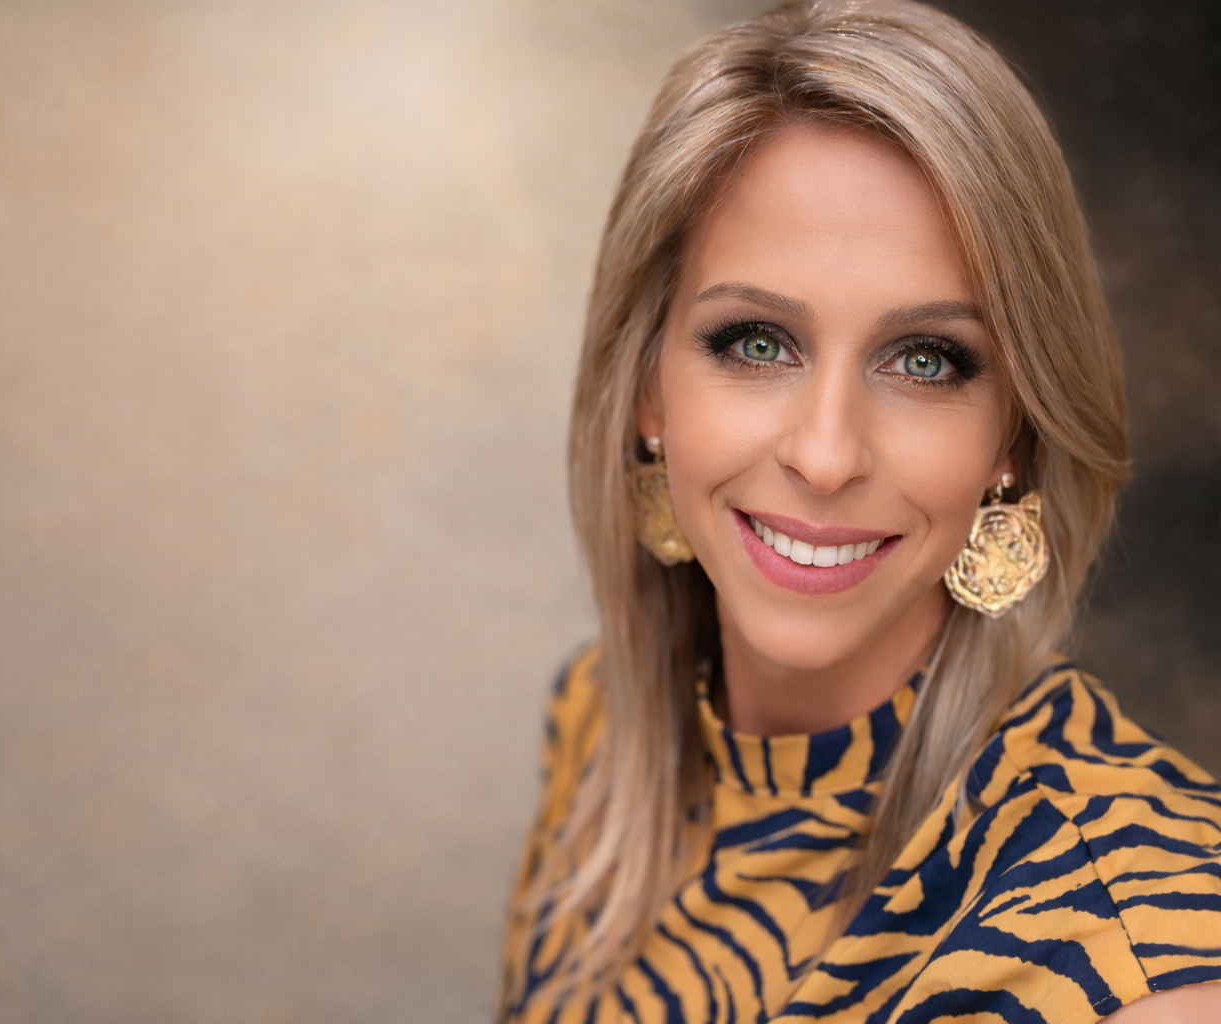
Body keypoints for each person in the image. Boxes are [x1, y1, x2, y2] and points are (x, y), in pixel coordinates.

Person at [495, 1, 1221, 1021]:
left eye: (926, 360)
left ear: (1012, 432)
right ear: (650, 386)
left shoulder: (1140, 951)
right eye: (755, 342)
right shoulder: (600, 725)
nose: (827, 455)